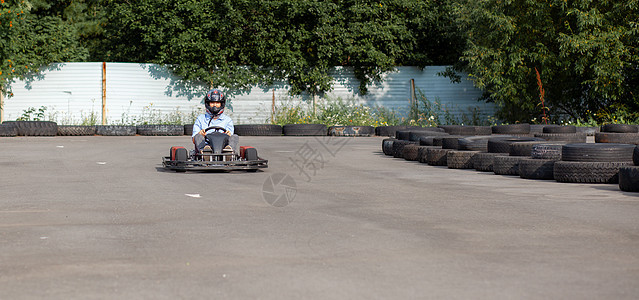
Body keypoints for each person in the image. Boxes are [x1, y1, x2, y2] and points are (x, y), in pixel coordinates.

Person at [192, 89, 238, 153]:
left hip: (223, 147)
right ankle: (205, 152)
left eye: (217, 103)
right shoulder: (201, 119)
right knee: (198, 136)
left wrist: (228, 134)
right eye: (212, 103)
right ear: (208, 103)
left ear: (221, 104)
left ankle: (228, 152)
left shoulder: (227, 120)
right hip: (206, 145)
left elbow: (230, 136)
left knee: (234, 136)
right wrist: (200, 134)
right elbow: (194, 139)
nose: (215, 105)